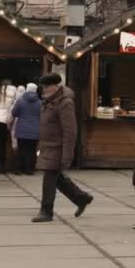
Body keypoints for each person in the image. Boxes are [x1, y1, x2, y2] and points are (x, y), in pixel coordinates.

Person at [32, 73, 93, 223]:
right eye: (44, 87)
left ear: (56, 86)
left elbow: (70, 131)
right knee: (57, 179)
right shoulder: (49, 101)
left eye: (48, 87)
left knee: (49, 178)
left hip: (58, 147)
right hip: (48, 146)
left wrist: (67, 156)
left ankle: (46, 211)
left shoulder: (64, 103)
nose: (45, 90)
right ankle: (81, 198)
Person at [11, 83, 41, 175]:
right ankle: (30, 169)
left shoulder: (20, 101)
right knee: (32, 150)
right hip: (35, 130)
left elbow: (14, 112)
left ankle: (19, 169)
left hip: (22, 129)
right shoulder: (40, 102)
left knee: (21, 149)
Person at [10, 85, 26, 153]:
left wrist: (8, 124)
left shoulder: (14, 102)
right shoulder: (26, 102)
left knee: (15, 143)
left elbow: (11, 114)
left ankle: (16, 159)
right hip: (24, 126)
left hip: (15, 124)